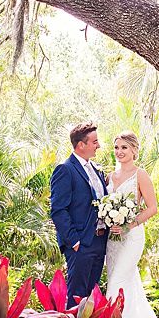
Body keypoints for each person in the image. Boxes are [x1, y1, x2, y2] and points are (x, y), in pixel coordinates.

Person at [103, 132, 159, 318]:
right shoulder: (110, 176)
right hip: (112, 240)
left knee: (116, 282)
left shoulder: (141, 175)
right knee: (124, 281)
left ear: (134, 150)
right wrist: (108, 220)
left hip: (132, 237)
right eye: (117, 147)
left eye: (124, 148)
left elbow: (152, 208)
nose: (119, 152)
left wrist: (129, 225)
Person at [49, 121, 109, 302]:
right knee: (76, 297)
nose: (98, 145)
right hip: (81, 244)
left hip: (99, 241)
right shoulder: (65, 170)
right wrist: (74, 241)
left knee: (92, 298)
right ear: (81, 145)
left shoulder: (96, 170)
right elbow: (58, 210)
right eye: (94, 142)